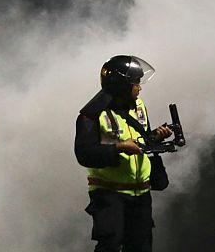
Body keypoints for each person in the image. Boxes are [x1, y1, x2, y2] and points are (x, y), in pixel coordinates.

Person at [74, 55, 174, 252]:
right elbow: (84, 154)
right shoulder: (92, 115)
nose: (140, 87)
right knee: (110, 245)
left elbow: (141, 138)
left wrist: (156, 136)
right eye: (136, 83)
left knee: (141, 246)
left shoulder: (139, 106)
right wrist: (119, 148)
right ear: (122, 86)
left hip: (141, 193)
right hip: (109, 194)